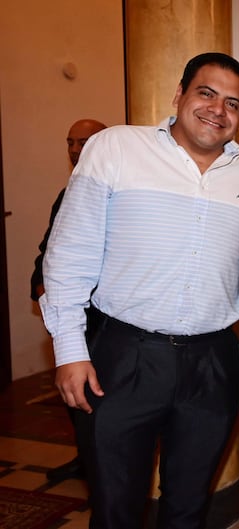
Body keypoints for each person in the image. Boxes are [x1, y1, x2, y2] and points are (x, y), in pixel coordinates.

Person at [39, 52, 239, 528]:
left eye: (232, 103)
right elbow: (69, 252)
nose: (218, 109)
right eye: (206, 93)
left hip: (212, 362)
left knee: (190, 507)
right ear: (179, 95)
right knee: (116, 508)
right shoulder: (117, 148)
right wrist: (69, 350)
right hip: (123, 358)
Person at [30, 118, 107, 483]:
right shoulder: (67, 193)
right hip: (72, 318)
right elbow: (50, 250)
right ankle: (85, 459)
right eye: (70, 142)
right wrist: (40, 286)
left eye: (84, 142)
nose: (76, 150)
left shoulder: (121, 192)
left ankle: (100, 468)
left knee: (101, 401)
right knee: (75, 395)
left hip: (106, 319)